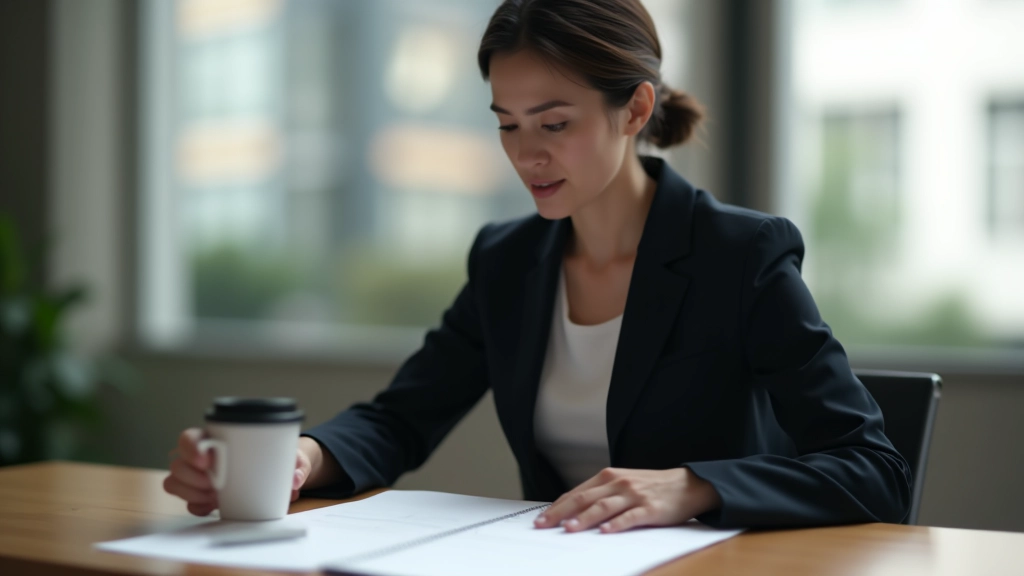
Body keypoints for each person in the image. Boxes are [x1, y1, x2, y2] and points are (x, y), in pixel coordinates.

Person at [164, 0, 911, 532]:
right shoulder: (508, 260)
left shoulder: (738, 255)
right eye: (508, 125)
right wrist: (303, 457)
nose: (527, 155)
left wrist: (694, 486)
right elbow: (400, 419)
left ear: (635, 108)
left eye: (555, 124)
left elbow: (873, 468)